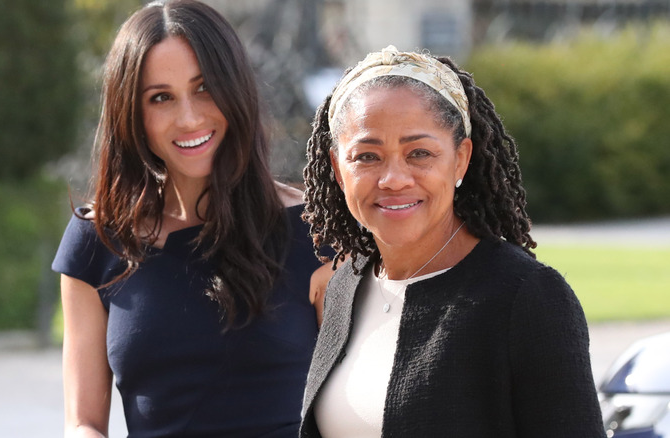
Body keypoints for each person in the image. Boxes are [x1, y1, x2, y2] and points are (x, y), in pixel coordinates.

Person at [51, 1, 329, 436]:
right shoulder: (97, 240)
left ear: (235, 88)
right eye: (160, 98)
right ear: (132, 115)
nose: (189, 118)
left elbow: (355, 407)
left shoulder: (317, 230)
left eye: (204, 88)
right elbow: (83, 422)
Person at [299, 46, 605, 437]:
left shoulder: (525, 297)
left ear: (460, 159)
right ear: (338, 170)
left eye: (420, 153)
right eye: (367, 156)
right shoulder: (345, 287)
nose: (394, 178)